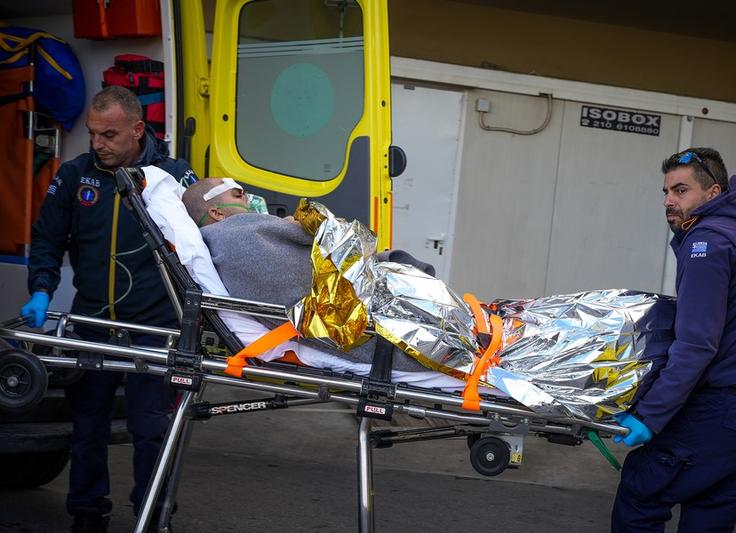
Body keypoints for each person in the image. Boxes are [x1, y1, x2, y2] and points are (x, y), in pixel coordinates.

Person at [20, 86, 197, 533]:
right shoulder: (75, 175)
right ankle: (86, 513)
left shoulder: (173, 176)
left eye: (109, 135)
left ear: (137, 130)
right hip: (93, 325)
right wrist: (41, 289)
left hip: (156, 328)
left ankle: (152, 515)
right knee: (87, 426)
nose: (98, 144)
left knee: (151, 428)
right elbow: (47, 239)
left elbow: (207, 243)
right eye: (93, 133)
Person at [611, 147, 736, 531]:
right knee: (708, 517)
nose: (669, 200)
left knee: (642, 491)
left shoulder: (708, 241)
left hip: (730, 411)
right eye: (666, 191)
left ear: (713, 193)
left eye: (681, 190)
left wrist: (649, 414)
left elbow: (697, 344)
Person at [180, 177, 433, 371]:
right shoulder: (240, 236)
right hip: (363, 318)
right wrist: (302, 226)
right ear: (217, 213)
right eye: (237, 193)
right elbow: (336, 243)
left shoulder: (229, 241)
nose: (246, 196)